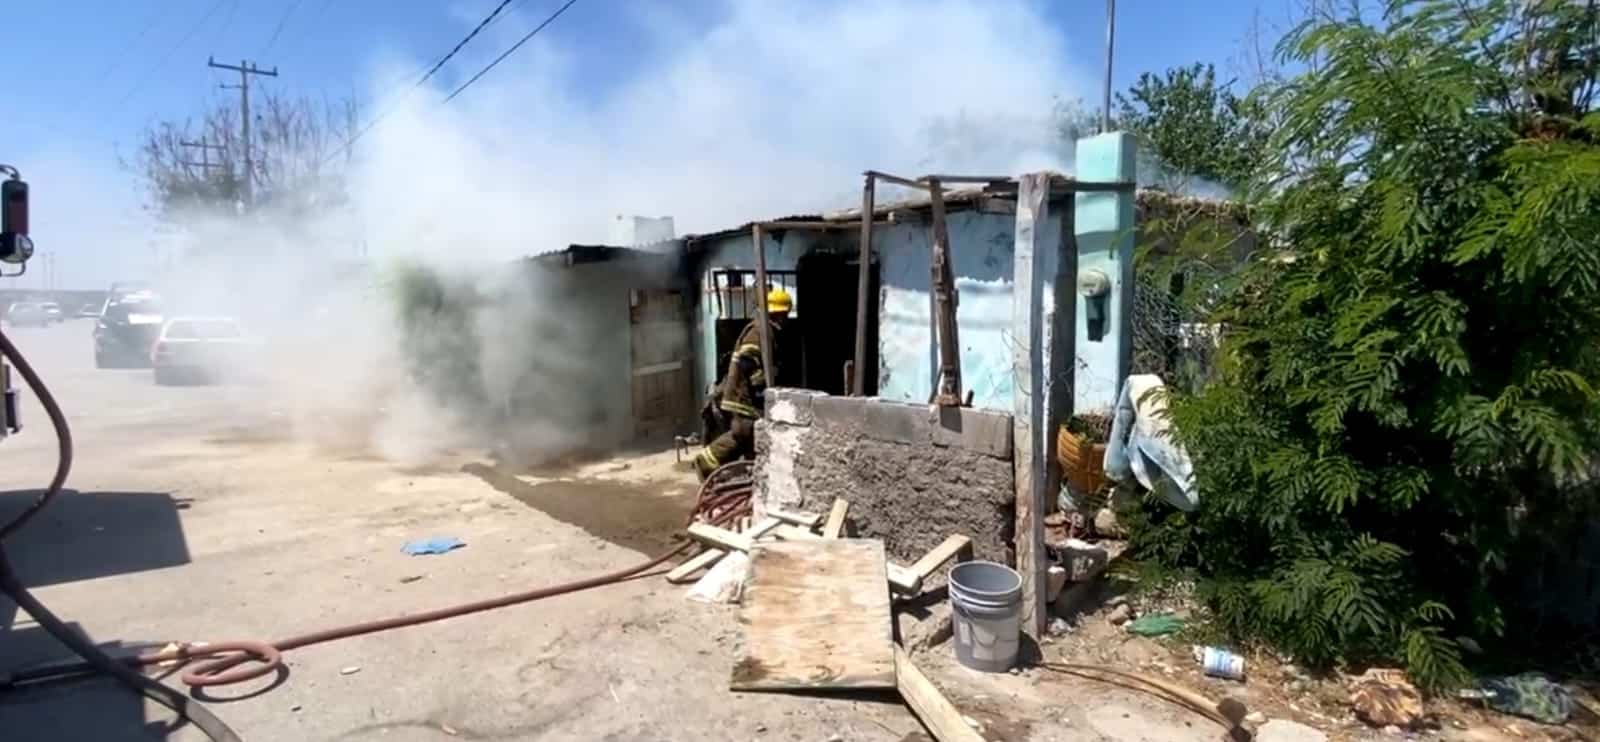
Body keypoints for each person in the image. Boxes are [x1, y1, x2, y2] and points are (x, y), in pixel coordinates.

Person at [695, 287, 790, 480]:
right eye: (784, 314)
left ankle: (750, 474)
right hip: (742, 396)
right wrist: (759, 387)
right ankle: (705, 461)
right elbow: (747, 358)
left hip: (743, 395)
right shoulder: (760, 331)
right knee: (744, 431)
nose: (785, 319)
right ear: (779, 313)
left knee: (751, 436)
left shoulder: (765, 329)